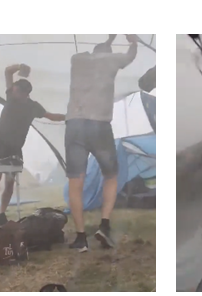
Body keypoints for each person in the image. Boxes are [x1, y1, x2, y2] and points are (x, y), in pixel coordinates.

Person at [65, 34, 139, 252]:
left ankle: (80, 238)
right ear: (107, 53)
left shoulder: (77, 60)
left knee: (75, 183)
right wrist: (132, 41)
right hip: (99, 125)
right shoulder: (111, 61)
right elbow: (129, 56)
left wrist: (109, 39)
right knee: (111, 176)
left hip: (75, 125)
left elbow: (96, 53)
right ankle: (104, 225)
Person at [0, 65, 66, 227]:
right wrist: (21, 67)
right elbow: (7, 71)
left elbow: (50, 116)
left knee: (9, 181)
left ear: (24, 94)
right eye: (13, 89)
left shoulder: (32, 106)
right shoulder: (10, 96)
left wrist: (69, 117)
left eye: (17, 91)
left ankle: (2, 213)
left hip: (15, 148)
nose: (13, 91)